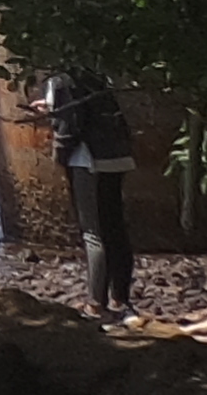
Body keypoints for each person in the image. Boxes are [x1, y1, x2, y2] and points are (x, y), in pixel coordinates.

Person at [38, 64, 138, 315]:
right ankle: (120, 299)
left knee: (93, 233)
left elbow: (70, 127)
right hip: (117, 156)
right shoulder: (96, 76)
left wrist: (60, 156)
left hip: (88, 161)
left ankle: (95, 303)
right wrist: (51, 109)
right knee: (115, 228)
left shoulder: (60, 81)